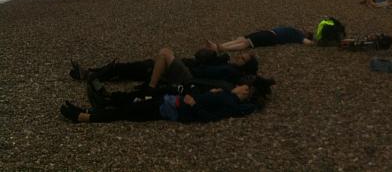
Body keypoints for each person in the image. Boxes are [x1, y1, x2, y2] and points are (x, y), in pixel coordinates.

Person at [60, 75, 275, 123]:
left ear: (245, 92)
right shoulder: (226, 95)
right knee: (130, 104)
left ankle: (81, 117)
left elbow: (208, 117)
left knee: (127, 113)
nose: (238, 86)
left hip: (172, 110)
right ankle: (87, 111)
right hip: (172, 101)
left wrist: (194, 104)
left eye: (243, 87)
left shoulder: (231, 104)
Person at [69, 44, 259, 89]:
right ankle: (93, 72)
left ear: (245, 67)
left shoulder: (232, 73)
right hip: (187, 69)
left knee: (164, 53)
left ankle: (151, 88)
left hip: (188, 76)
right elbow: (201, 57)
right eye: (242, 54)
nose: (240, 55)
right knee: (139, 67)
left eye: (244, 58)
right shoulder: (227, 65)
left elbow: (242, 84)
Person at [218, 27, 314, 51]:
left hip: (271, 37)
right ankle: (220, 46)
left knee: (247, 43)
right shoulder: (297, 32)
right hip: (268, 32)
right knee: (243, 38)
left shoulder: (299, 36)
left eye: (306, 31)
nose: (303, 29)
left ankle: (223, 48)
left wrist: (319, 42)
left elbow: (308, 43)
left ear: (306, 34)